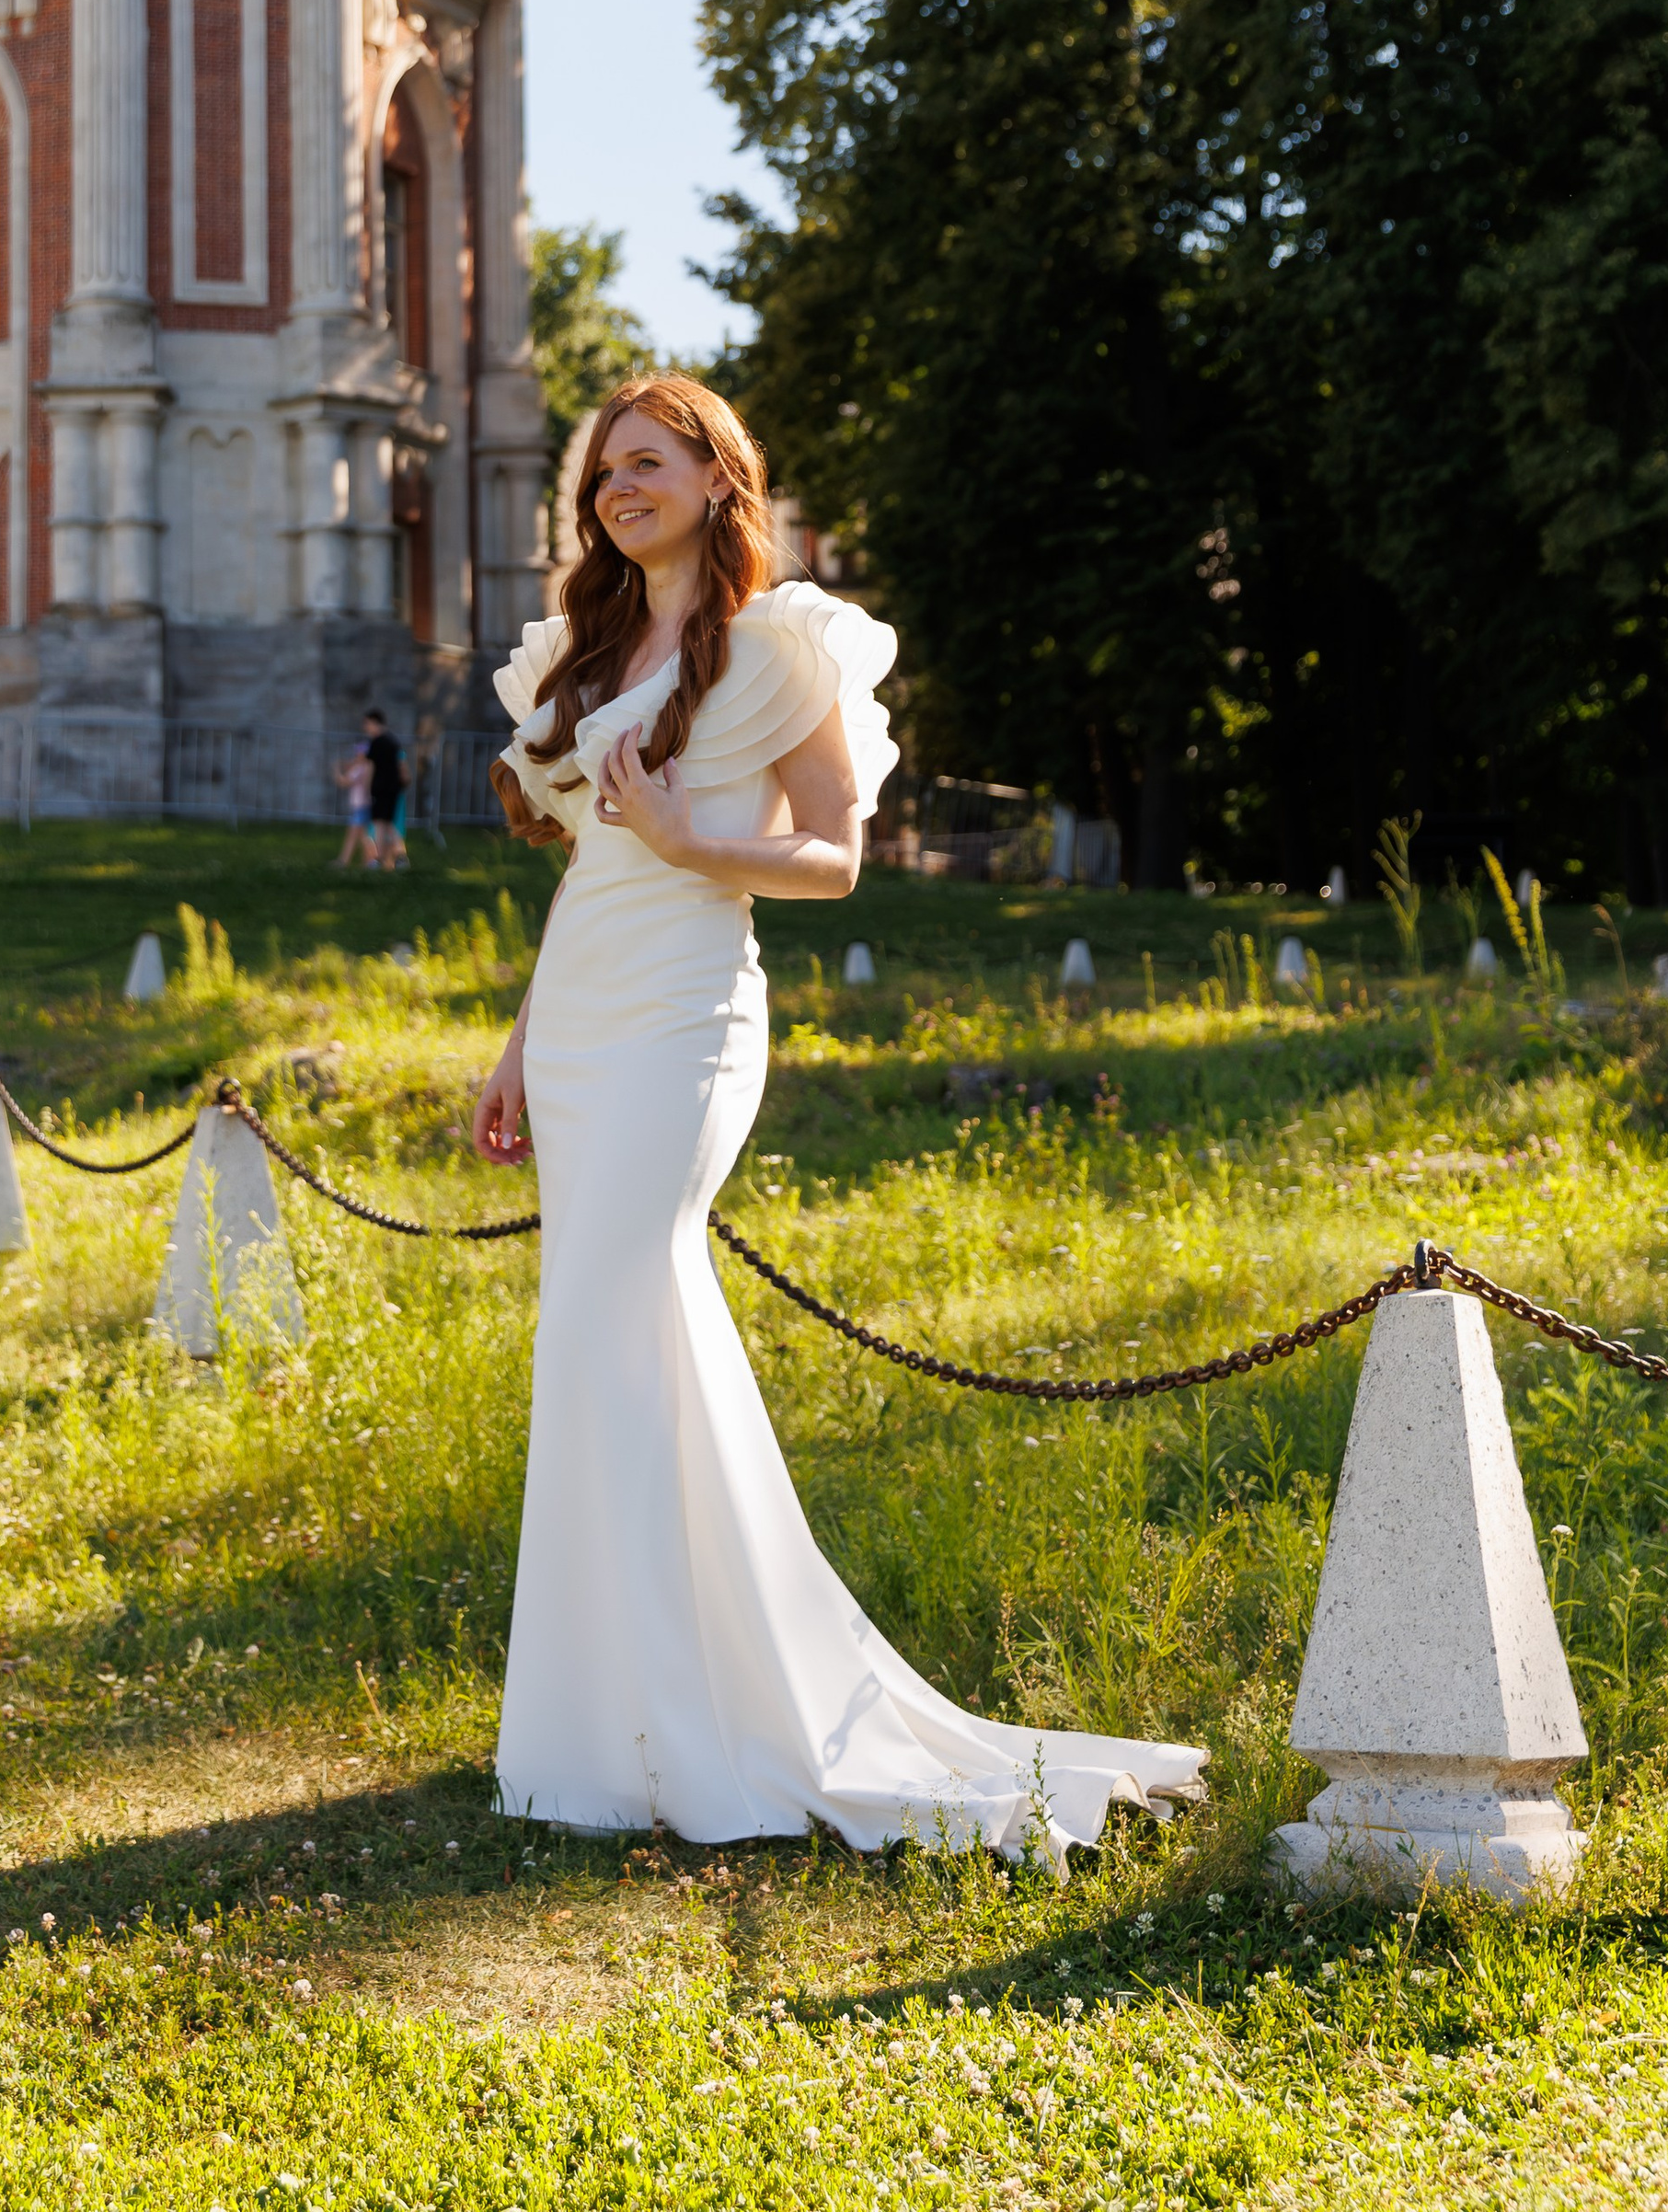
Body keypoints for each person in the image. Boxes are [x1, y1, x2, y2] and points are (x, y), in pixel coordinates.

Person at [471, 374, 1203, 1859]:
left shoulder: (778, 640)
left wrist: (694, 836)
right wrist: (516, 1042)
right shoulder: (591, 645)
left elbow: (834, 857)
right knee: (603, 1342)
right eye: (606, 470)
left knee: (630, 1303)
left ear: (714, 474)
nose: (623, 488)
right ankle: (596, 1731)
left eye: (651, 462)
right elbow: (581, 872)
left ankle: (720, 1720)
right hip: (585, 1022)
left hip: (686, 1021)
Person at [362, 709, 408, 872]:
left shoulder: (376, 742)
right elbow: (401, 765)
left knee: (379, 824)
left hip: (380, 788)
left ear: (375, 722)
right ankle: (401, 856)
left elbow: (370, 767)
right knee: (388, 823)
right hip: (394, 788)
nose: (365, 728)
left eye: (367, 724)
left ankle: (379, 859)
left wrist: (367, 788)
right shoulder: (394, 741)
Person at [331, 737, 373, 870]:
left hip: (361, 806)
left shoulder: (360, 768)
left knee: (355, 835)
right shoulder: (367, 767)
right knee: (363, 836)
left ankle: (344, 861)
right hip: (365, 806)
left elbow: (343, 781)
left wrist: (336, 769)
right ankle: (369, 861)